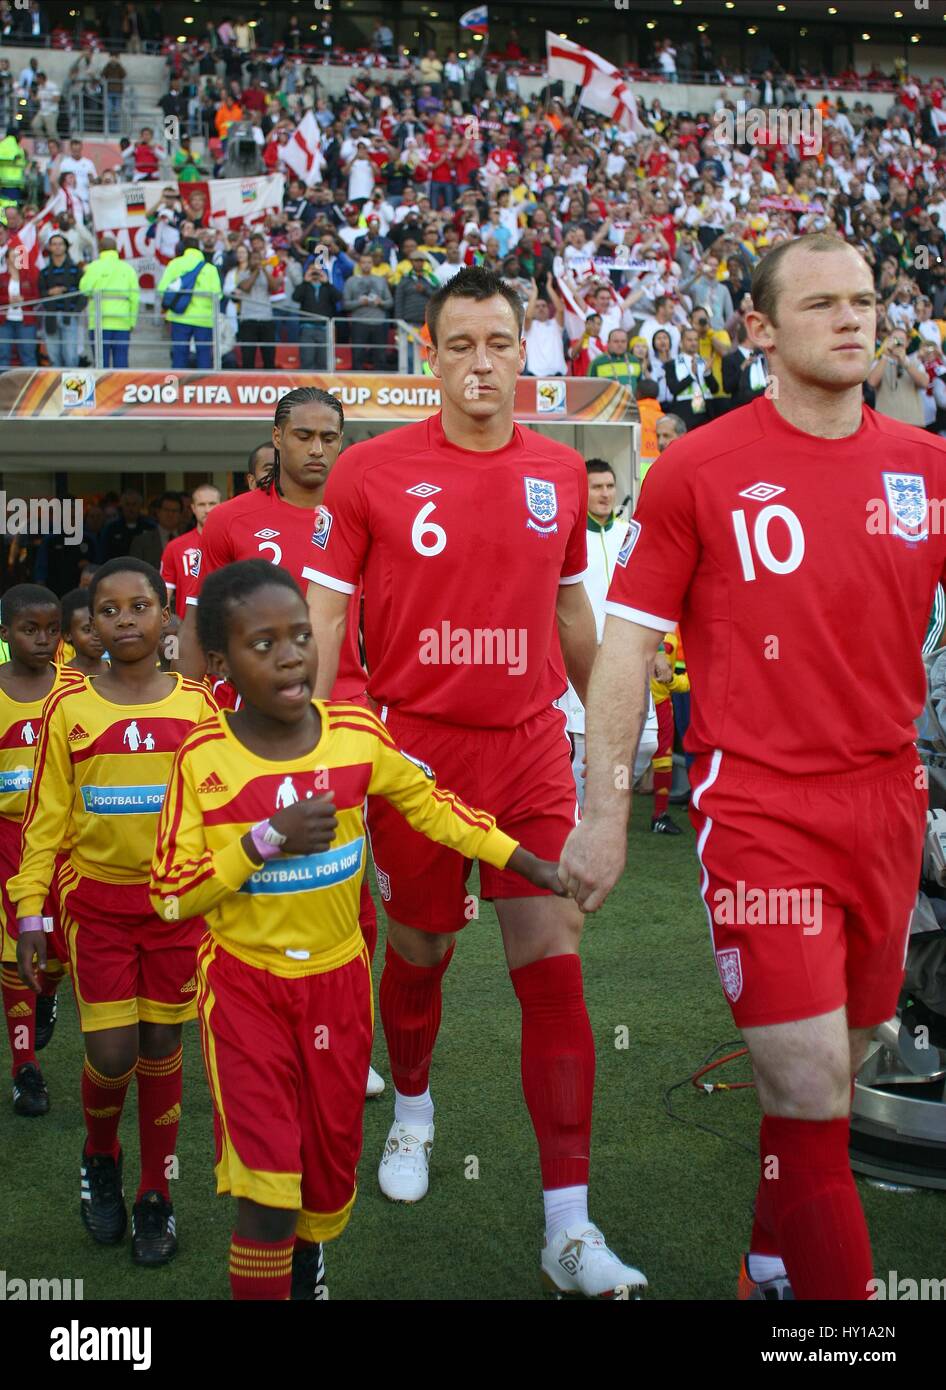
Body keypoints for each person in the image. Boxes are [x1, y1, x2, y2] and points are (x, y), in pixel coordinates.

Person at [558, 232, 944, 1301]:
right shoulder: (700, 468)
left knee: (847, 1049)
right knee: (817, 1090)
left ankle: (766, 1264)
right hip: (762, 806)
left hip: (888, 801)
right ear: (761, 330)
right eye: (821, 303)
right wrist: (605, 811)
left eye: (864, 300)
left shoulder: (925, 466)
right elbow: (627, 645)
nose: (852, 319)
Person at [306, 267, 646, 1298]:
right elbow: (325, 622)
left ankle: (570, 1229)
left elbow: (573, 620)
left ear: (523, 349)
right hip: (414, 757)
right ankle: (412, 1108)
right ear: (431, 356)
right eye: (461, 345)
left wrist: (614, 746)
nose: (483, 363)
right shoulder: (366, 472)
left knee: (553, 962)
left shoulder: (554, 472)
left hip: (533, 748)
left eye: (500, 341)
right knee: (420, 948)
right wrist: (312, 751)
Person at [152, 561, 561, 1300]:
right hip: (245, 991)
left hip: (338, 990)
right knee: (267, 1190)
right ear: (218, 664)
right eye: (264, 642)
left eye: (302, 636)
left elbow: (435, 805)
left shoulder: (354, 734)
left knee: (322, 1176)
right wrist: (261, 841)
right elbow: (171, 896)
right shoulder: (201, 760)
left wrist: (523, 859)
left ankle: (306, 1269)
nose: (291, 655)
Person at [174, 389, 384, 1098]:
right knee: (256, 876)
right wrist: (189, 713)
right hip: (254, 733)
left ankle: (348, 1038)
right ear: (278, 437)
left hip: (348, 715)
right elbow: (200, 633)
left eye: (331, 436)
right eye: (304, 435)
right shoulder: (231, 521)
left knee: (349, 883)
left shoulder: (362, 512)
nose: (318, 449)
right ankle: (253, 1029)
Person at [12, 559, 217, 1266]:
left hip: (177, 910)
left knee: (161, 1045)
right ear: (88, 627)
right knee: (112, 1052)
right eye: (108, 610)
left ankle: (155, 1193)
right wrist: (30, 912)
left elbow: (220, 808)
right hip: (96, 906)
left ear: (167, 619)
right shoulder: (68, 707)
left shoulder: (197, 705)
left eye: (140, 607)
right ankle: (101, 1154)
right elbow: (45, 822)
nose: (125, 620)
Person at [0, 586, 74, 1118]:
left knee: (62, 950)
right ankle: (24, 1067)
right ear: (5, 634)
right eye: (30, 629)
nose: (43, 639)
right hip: (9, 836)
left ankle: (48, 993)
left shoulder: (74, 690)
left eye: (52, 629)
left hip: (68, 841)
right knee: (14, 946)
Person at [555, 461, 658, 813]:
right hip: (582, 655)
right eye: (596, 487)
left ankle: (604, 800)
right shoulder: (569, 536)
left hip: (629, 655)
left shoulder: (630, 533)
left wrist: (657, 647)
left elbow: (650, 593)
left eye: (609, 486)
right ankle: (581, 823)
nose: (604, 494)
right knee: (586, 745)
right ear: (584, 492)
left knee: (646, 742)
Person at [157, 236, 222, 370]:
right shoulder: (210, 268)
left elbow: (162, 289)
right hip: (204, 318)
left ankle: (178, 386)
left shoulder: (174, 264)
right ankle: (205, 387)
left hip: (179, 315)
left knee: (179, 354)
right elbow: (218, 296)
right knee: (204, 355)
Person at [160, 484, 221, 622]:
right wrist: (165, 626)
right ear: (193, 508)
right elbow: (165, 594)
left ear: (221, 505)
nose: (207, 510)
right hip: (187, 626)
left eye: (212, 504)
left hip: (224, 627)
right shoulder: (175, 547)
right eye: (201, 505)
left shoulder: (233, 543)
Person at [79, 237, 140, 368]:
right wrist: (132, 321)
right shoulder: (128, 269)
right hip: (122, 323)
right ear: (116, 249)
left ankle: (102, 389)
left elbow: (84, 290)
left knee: (101, 364)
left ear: (100, 249)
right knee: (121, 361)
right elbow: (135, 297)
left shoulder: (93, 267)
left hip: (98, 323)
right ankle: (122, 388)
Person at [39, 232, 84, 368]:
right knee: (54, 358)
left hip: (69, 317)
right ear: (50, 248)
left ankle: (72, 388)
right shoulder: (44, 272)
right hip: (50, 318)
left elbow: (82, 293)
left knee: (71, 357)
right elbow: (40, 293)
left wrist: (74, 311)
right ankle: (56, 388)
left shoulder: (75, 269)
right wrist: (49, 292)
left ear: (66, 247)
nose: (57, 247)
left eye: (60, 244)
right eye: (54, 244)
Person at [342, 250, 392, 371]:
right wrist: (359, 302)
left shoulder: (381, 280)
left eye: (369, 262)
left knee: (380, 356)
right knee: (357, 355)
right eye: (363, 262)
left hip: (379, 322)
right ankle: (355, 383)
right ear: (359, 264)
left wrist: (381, 302)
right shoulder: (351, 281)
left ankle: (382, 383)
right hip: (359, 322)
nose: (366, 265)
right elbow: (345, 305)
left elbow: (390, 302)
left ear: (372, 264)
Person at [664, 325, 718, 429]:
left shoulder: (704, 361)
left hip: (706, 413)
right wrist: (692, 375)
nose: (693, 343)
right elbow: (674, 389)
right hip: (685, 413)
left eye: (696, 340)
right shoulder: (672, 364)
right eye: (689, 340)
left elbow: (715, 389)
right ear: (681, 343)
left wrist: (707, 373)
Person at [523, 280, 567, 378]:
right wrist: (534, 293)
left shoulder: (555, 324)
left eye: (544, 306)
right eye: (537, 306)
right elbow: (528, 316)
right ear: (532, 310)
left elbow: (560, 309)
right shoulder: (528, 327)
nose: (541, 308)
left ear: (548, 309)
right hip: (535, 375)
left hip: (558, 375)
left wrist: (549, 287)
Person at [60, 587, 107, 677]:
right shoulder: (58, 679)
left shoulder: (120, 673)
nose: (97, 635)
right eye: (87, 630)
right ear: (67, 635)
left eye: (100, 627)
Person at [130, 492, 182, 569]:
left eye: (174, 511)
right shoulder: (141, 542)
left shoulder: (190, 541)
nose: (170, 514)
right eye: (166, 510)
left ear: (180, 514)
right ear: (158, 512)